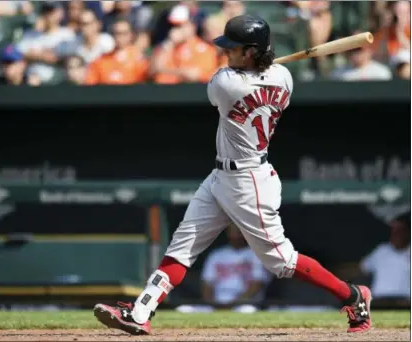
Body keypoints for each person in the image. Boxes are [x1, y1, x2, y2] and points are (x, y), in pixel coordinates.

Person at [94, 14, 372, 336]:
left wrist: (251, 68)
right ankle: (140, 312)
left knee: (281, 262)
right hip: (221, 176)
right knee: (182, 246)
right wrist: (258, 65)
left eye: (234, 48)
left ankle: (353, 296)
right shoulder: (284, 77)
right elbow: (264, 74)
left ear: (251, 52)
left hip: (248, 181)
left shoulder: (226, 84)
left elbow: (223, 84)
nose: (227, 53)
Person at [150, 4, 218, 84]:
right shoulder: (166, 46)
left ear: (192, 26)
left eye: (179, 25)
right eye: (172, 25)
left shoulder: (203, 48)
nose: (175, 29)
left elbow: (193, 75)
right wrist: (170, 43)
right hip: (163, 92)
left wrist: (164, 70)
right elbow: (153, 71)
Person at [84, 18, 148, 85]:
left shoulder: (140, 60)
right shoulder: (101, 61)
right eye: (117, 33)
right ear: (113, 35)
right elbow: (90, 86)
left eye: (124, 33)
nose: (121, 37)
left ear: (131, 35)